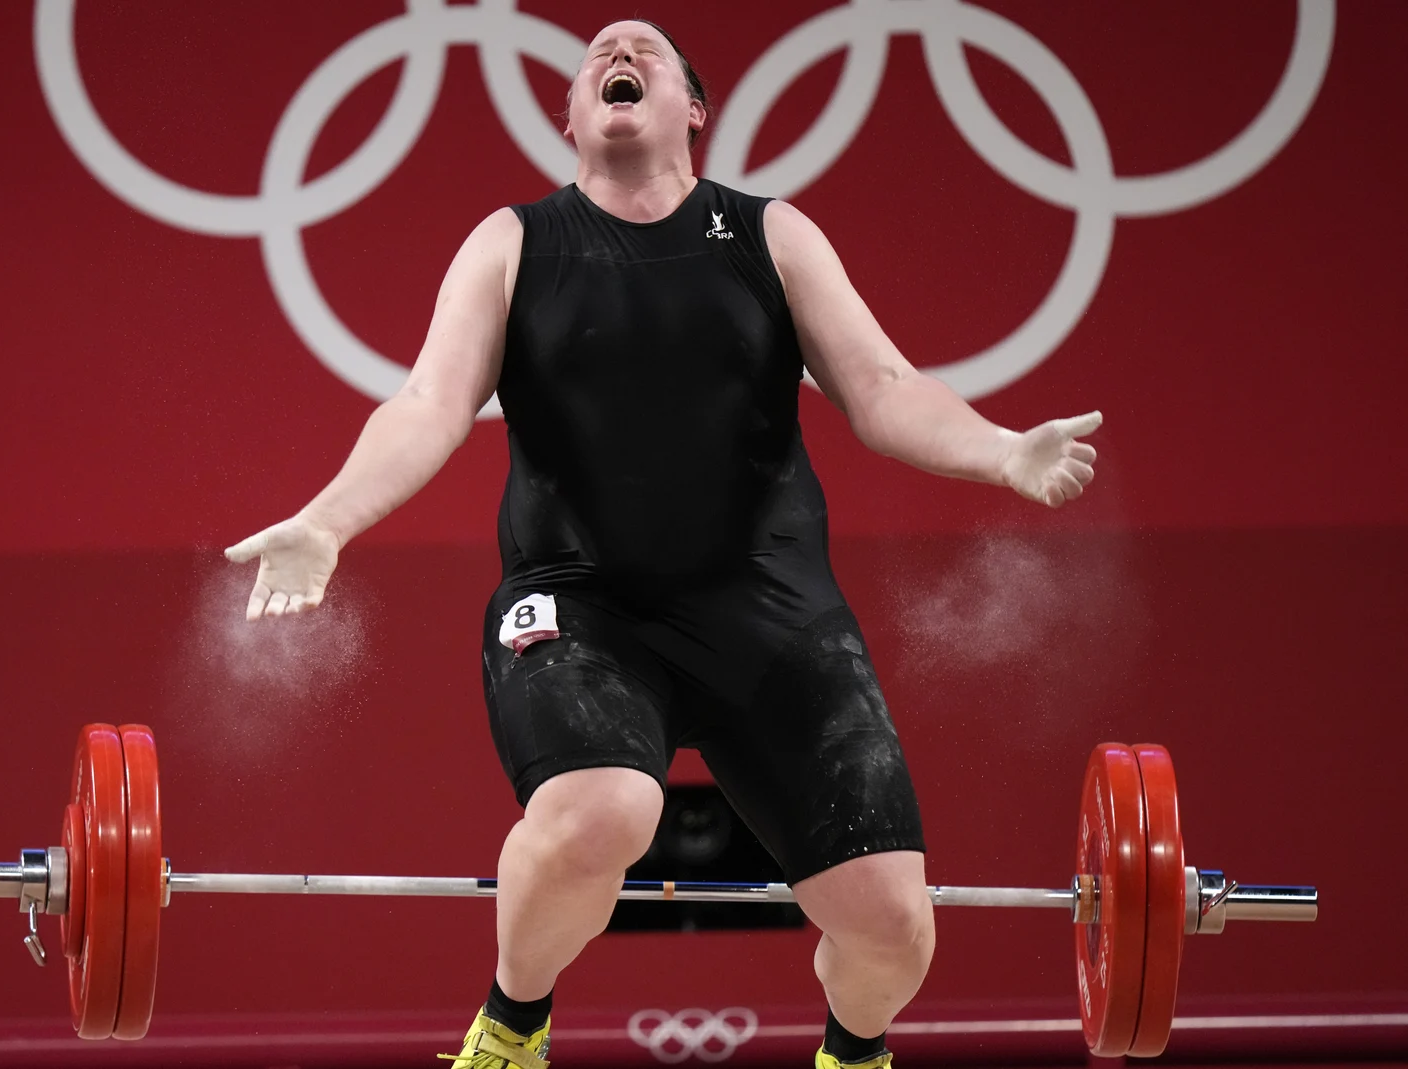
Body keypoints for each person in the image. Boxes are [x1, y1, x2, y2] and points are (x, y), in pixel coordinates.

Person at [224, 19, 1101, 1069]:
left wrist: (1003, 453)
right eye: (594, 55)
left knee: (893, 930)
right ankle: (510, 1029)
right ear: (572, 119)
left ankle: (853, 1053)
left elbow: (884, 389)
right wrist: (328, 519)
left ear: (692, 107)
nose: (613, 52)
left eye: (640, 49)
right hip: (581, 602)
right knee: (602, 811)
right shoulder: (512, 242)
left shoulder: (772, 234)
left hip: (772, 614)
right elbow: (425, 405)